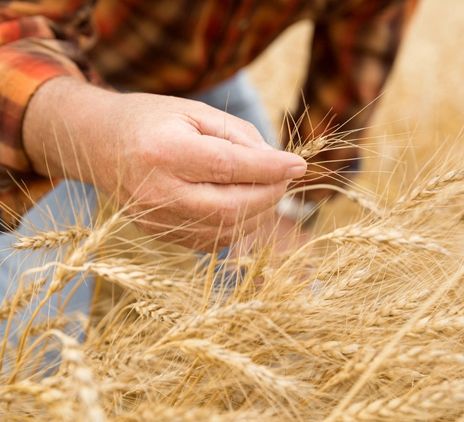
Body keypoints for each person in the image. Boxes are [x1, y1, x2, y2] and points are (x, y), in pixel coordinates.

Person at [0, 1, 408, 323]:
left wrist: (294, 205)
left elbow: (353, 73)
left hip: (201, 80)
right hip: (41, 67)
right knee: (32, 330)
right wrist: (96, 136)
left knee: (290, 291)